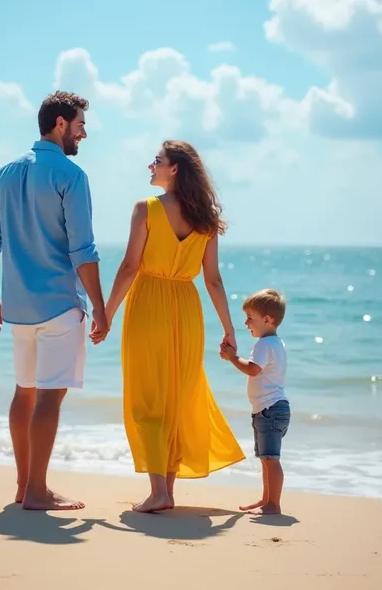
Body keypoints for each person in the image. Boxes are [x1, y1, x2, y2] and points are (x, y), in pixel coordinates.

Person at [0, 90, 108, 511]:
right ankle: (37, 491)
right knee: (49, 398)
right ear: (59, 123)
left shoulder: (4, 172)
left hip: (17, 307)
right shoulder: (71, 176)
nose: (83, 134)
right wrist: (101, 309)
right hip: (58, 304)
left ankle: (23, 485)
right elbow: (82, 250)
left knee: (24, 393)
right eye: (79, 126)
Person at [105, 140, 245, 513]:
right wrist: (229, 329)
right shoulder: (206, 218)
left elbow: (130, 267)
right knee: (176, 398)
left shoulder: (145, 209)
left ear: (175, 169)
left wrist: (107, 313)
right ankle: (165, 490)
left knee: (148, 398)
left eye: (157, 161)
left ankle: (159, 492)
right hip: (187, 308)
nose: (150, 166)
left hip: (149, 303)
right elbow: (212, 279)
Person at [220, 288, 290, 515]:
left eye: (250, 318)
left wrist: (232, 357)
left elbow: (252, 370)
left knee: (270, 459)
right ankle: (266, 500)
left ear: (267, 320)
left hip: (270, 410)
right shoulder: (277, 343)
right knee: (266, 458)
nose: (246, 323)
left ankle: (273, 505)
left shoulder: (264, 345)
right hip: (269, 409)